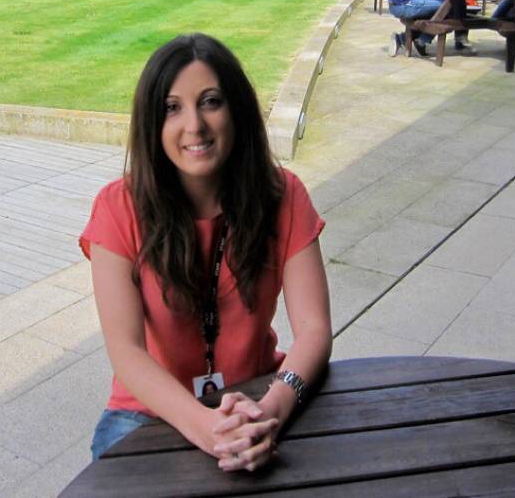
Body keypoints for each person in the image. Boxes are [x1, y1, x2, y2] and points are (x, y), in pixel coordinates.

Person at [81, 33, 332, 470]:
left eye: (211, 102)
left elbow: (313, 329)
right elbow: (126, 352)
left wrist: (272, 410)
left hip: (258, 393)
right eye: (172, 108)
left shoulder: (283, 195)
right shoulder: (117, 207)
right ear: (151, 123)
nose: (194, 125)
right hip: (149, 411)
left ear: (236, 110)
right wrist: (206, 427)